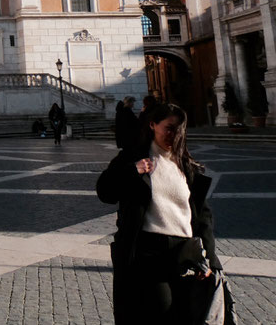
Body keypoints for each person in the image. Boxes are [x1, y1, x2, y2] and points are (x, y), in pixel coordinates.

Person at [96, 103, 224, 325]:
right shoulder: (132, 158)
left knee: (187, 317)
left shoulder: (186, 165)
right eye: (168, 127)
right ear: (153, 125)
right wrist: (132, 170)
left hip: (186, 254)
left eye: (178, 129)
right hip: (149, 254)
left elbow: (202, 216)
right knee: (160, 315)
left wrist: (211, 260)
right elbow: (105, 192)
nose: (173, 134)